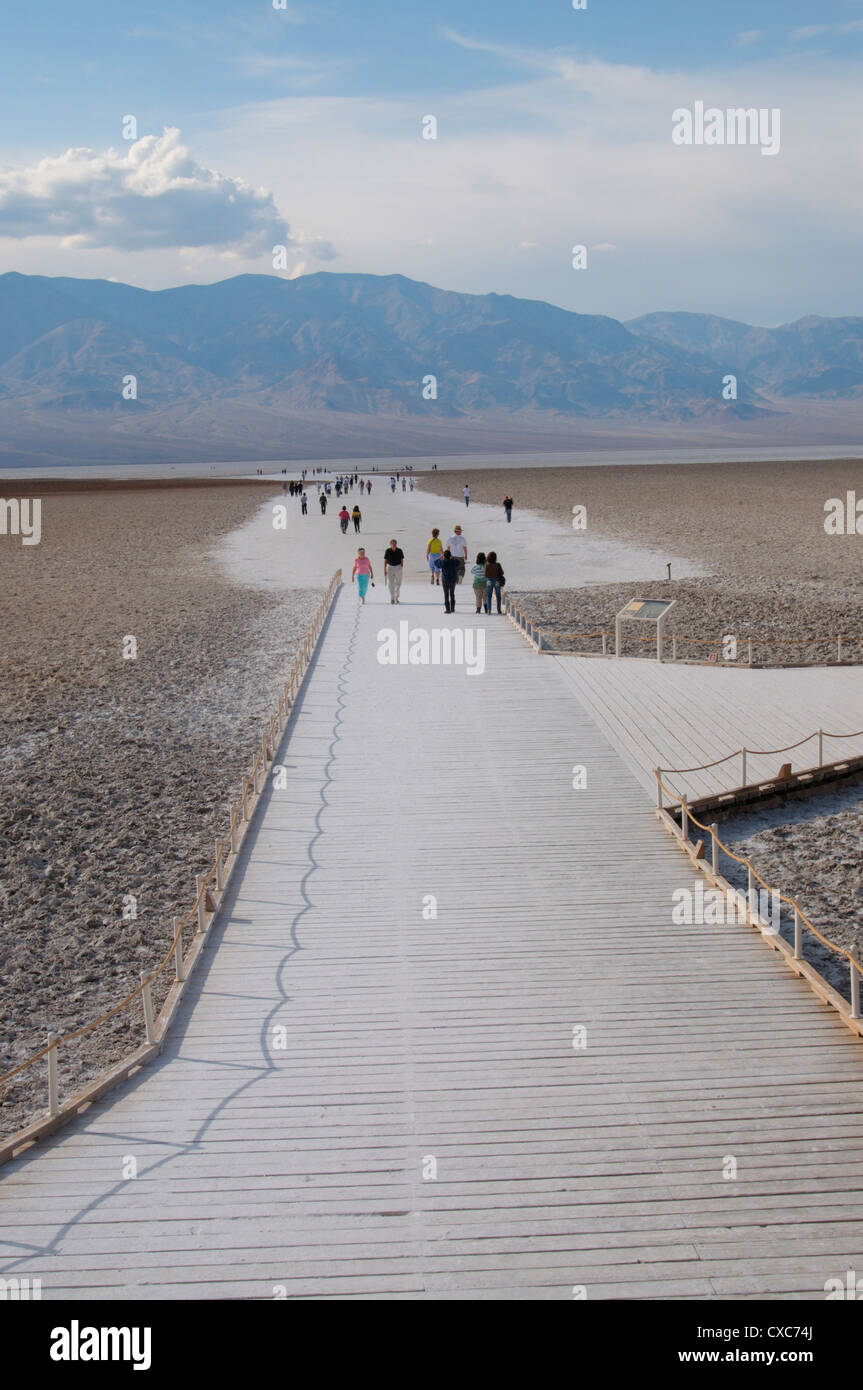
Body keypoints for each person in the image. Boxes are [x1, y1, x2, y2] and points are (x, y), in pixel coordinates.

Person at [439, 548, 460, 614]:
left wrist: (440, 558)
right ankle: (452, 608)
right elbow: (459, 562)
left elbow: (435, 563)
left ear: (444, 556)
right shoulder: (453, 561)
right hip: (453, 580)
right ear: (450, 555)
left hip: (445, 580)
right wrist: (453, 557)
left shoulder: (443, 562)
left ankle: (447, 609)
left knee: (446, 594)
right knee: (452, 593)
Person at [384, 538, 404, 603]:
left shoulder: (399, 550)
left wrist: (401, 566)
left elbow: (402, 559)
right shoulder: (387, 551)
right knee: (391, 583)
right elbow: (385, 560)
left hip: (398, 567)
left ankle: (396, 597)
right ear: (390, 544)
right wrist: (384, 569)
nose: (394, 545)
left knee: (398, 583)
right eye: (392, 544)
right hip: (390, 568)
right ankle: (392, 598)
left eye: (395, 544)